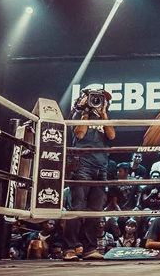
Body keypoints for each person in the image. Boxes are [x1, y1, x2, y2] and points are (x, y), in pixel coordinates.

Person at [63, 89, 116, 261]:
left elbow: (112, 136)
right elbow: (79, 133)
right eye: (95, 98)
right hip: (82, 165)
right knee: (77, 208)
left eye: (102, 99)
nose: (98, 101)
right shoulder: (78, 114)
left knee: (95, 211)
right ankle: (70, 248)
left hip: (101, 166)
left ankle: (89, 248)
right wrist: (85, 110)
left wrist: (104, 113)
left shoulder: (105, 117)